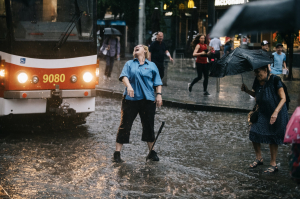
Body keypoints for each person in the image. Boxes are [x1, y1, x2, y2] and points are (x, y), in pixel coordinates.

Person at [113, 44, 163, 163]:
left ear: (145, 51)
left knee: (149, 126)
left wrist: (159, 95)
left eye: (139, 46)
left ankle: (152, 152)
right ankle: (117, 153)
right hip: (130, 100)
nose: (136, 47)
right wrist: (129, 86)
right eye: (135, 46)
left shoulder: (152, 65)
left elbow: (157, 82)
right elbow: (124, 77)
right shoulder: (129, 64)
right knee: (125, 125)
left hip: (148, 101)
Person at [241, 65, 289, 173]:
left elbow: (283, 98)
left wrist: (276, 112)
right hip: (263, 112)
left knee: (273, 136)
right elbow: (257, 95)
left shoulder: (275, 80)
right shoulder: (257, 81)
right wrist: (247, 90)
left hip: (278, 112)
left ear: (265, 70)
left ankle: (273, 164)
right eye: (255, 72)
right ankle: (259, 158)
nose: (256, 74)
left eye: (258, 72)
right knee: (254, 132)